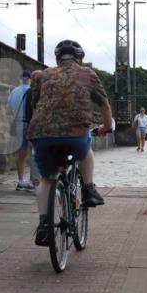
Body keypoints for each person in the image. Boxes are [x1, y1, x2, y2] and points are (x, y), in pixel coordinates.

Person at [26, 40, 112, 246]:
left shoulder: (40, 75)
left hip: (42, 135)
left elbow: (34, 104)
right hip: (75, 134)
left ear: (57, 59)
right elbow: (104, 105)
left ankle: (44, 226)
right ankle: (89, 189)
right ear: (80, 58)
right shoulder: (88, 74)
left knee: (46, 180)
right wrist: (106, 127)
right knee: (86, 150)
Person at [7, 70, 35, 192]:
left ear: (21, 79)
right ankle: (34, 182)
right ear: (30, 79)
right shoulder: (33, 91)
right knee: (34, 154)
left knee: (21, 155)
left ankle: (20, 181)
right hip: (31, 125)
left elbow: (8, 110)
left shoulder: (14, 91)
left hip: (18, 124)